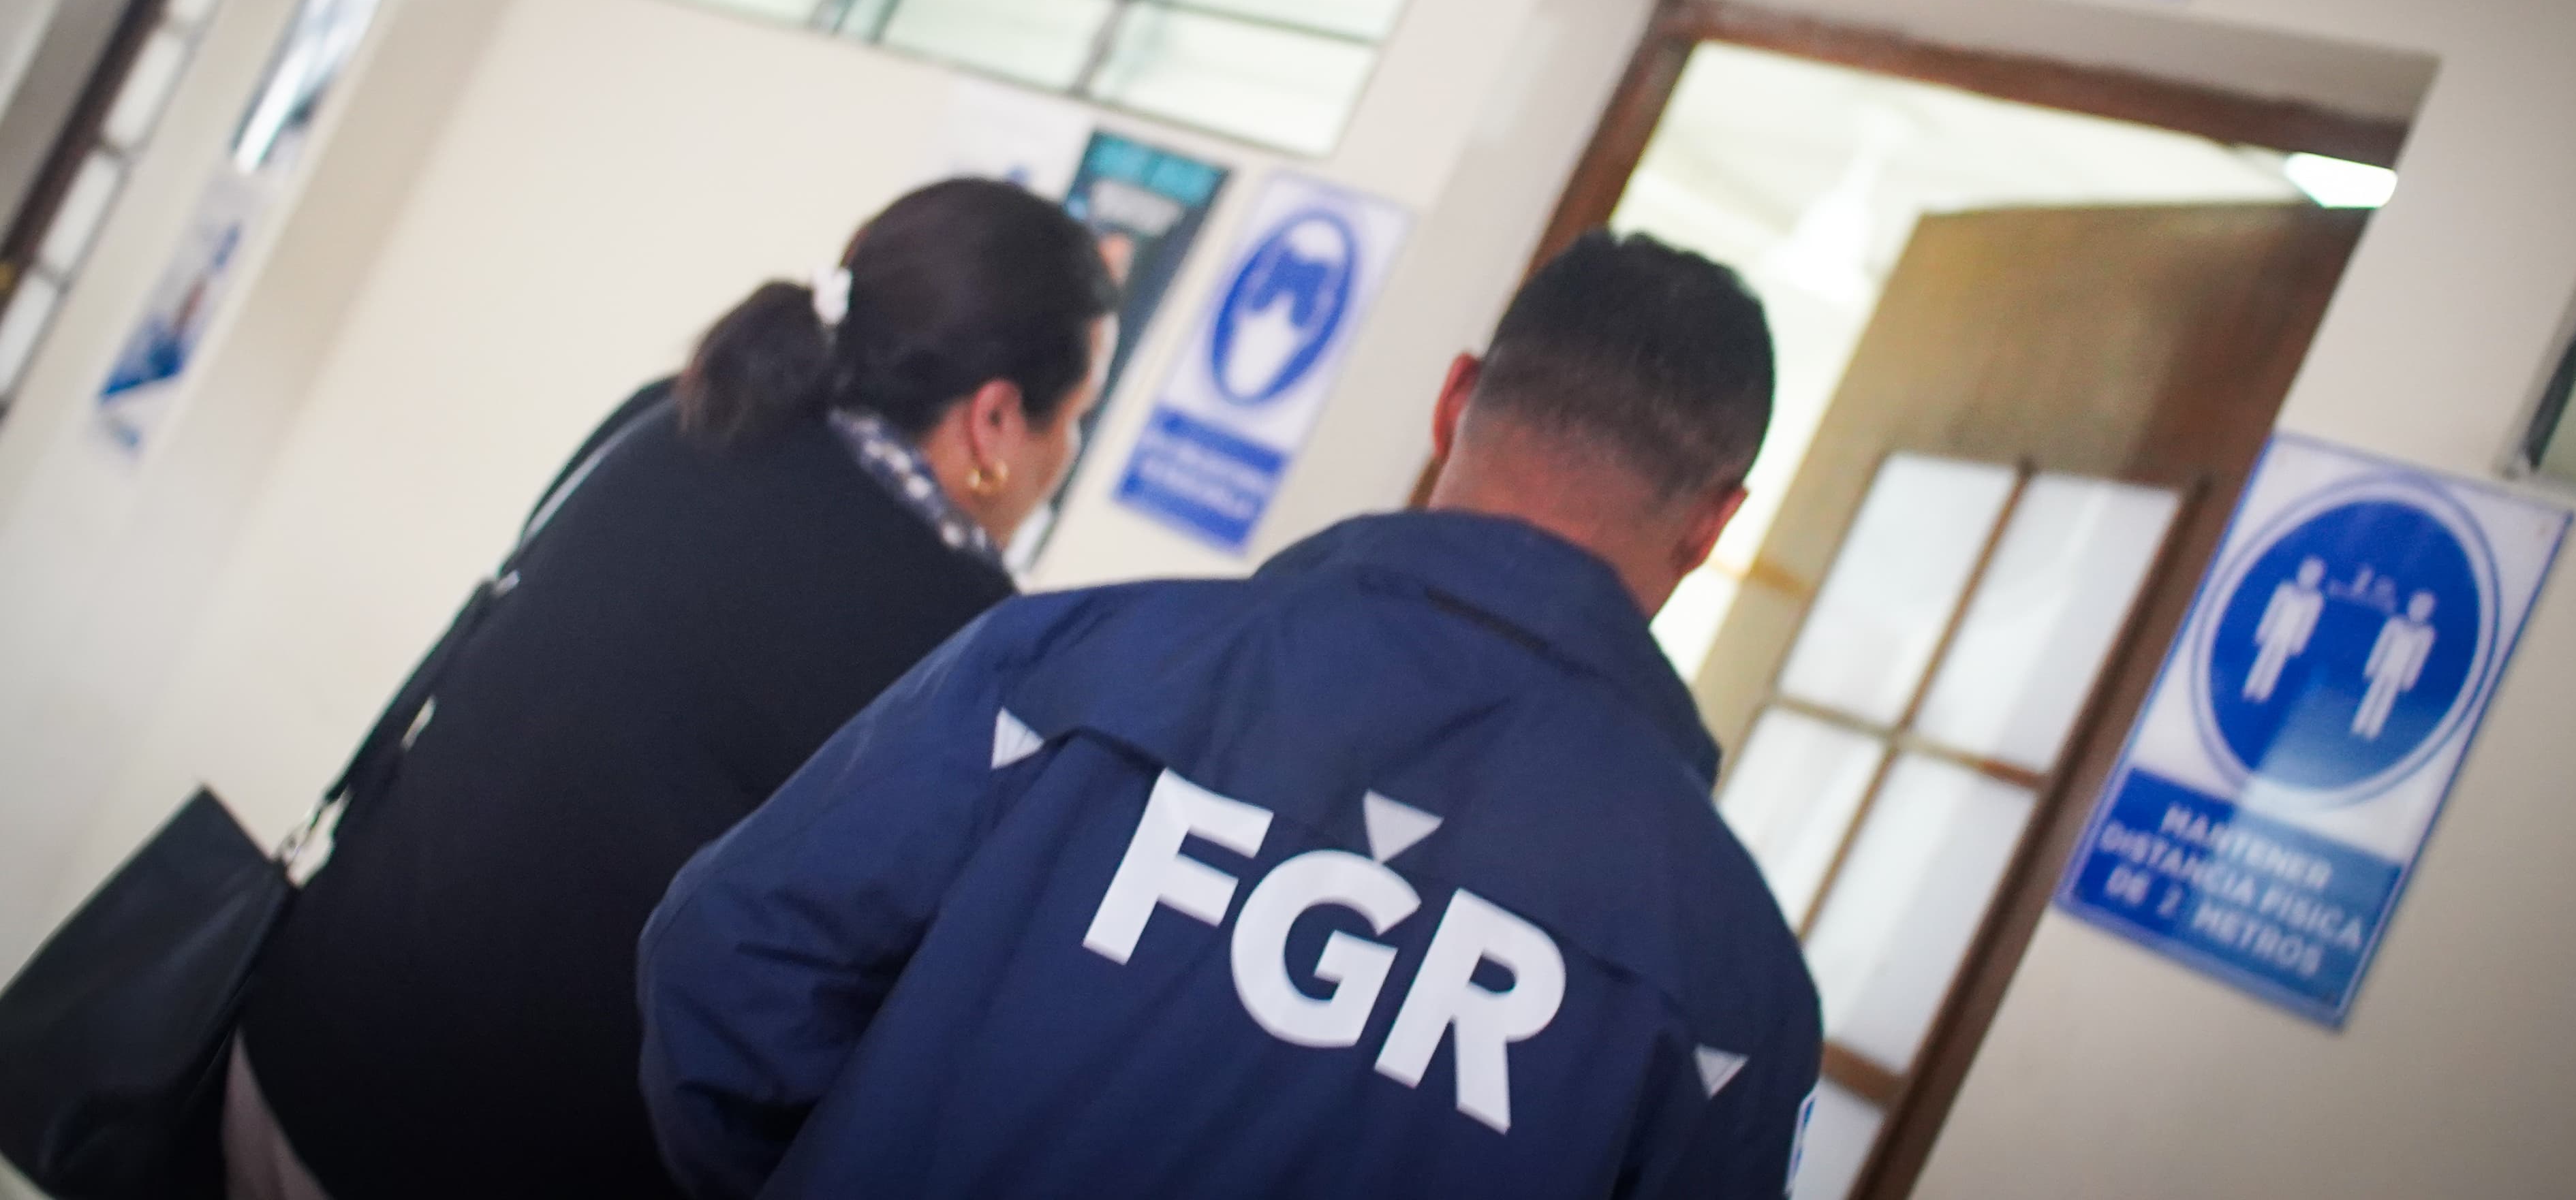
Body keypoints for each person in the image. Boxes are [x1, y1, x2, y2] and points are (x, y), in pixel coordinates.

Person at [637, 230, 1823, 1199]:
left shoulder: (1074, 661)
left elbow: (734, 957)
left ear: (1455, 401)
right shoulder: (1733, 986)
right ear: (1714, 523)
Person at [227, 178, 1119, 1200]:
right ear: (995, 419)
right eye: (1077, 417)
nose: (1068, 452)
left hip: (304, 1028)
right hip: (494, 1154)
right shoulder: (969, 650)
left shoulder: (680, 411)